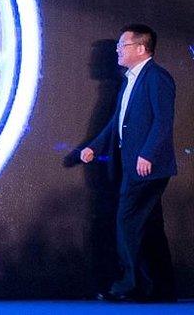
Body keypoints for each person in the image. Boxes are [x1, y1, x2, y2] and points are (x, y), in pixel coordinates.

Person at [80, 24, 177, 303]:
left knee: (128, 222)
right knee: (148, 227)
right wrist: (93, 148)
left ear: (140, 49)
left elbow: (163, 121)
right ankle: (161, 288)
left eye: (123, 46)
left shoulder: (157, 78)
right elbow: (116, 124)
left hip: (147, 166)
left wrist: (147, 153)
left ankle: (130, 285)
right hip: (134, 165)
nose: (117, 51)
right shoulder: (129, 80)